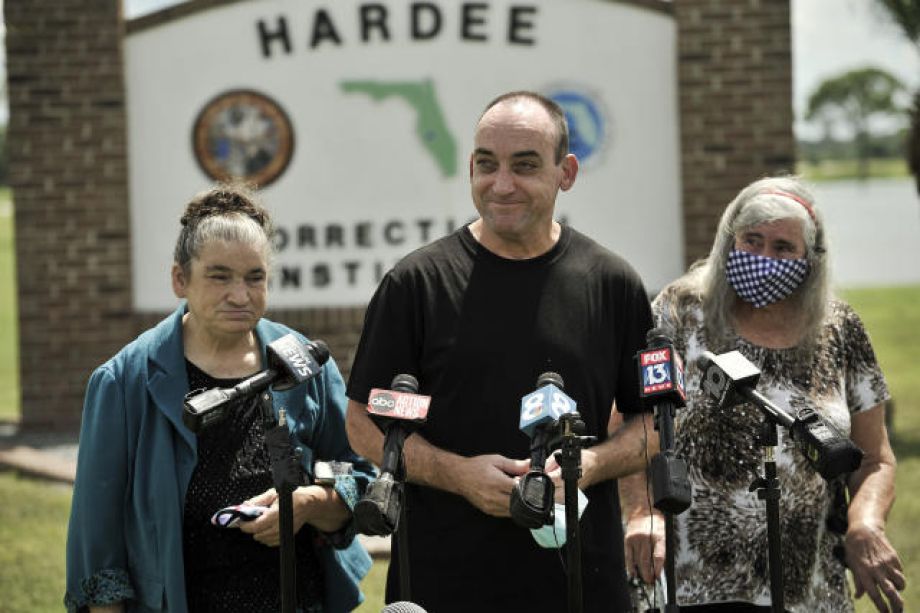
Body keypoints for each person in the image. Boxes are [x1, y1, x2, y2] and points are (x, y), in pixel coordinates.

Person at [345, 90, 657, 612]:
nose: (502, 184)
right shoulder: (415, 284)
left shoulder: (612, 283)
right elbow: (363, 421)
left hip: (581, 581)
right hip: (444, 581)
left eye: (526, 165)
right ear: (470, 166)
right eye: (487, 165)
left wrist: (587, 465)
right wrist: (459, 476)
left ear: (567, 172)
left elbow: (652, 425)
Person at [65, 184, 374, 613]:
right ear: (180, 279)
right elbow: (97, 545)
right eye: (219, 276)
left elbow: (358, 476)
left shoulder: (303, 362)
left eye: (254, 277)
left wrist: (309, 504)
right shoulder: (123, 382)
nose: (240, 295)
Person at [623, 176, 905, 612]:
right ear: (727, 242)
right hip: (691, 583)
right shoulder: (679, 313)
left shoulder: (840, 328)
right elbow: (632, 426)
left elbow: (875, 458)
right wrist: (643, 512)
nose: (763, 259)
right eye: (751, 241)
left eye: (782, 248)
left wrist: (865, 522)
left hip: (808, 587)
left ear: (810, 259)